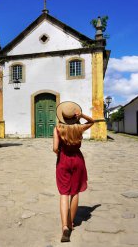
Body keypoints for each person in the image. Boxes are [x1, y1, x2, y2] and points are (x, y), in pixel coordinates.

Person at [53, 101, 94, 242]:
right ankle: (71, 223)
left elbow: (54, 148)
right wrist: (81, 115)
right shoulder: (79, 128)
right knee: (74, 192)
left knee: (64, 193)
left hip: (63, 159)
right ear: (74, 116)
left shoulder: (58, 128)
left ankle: (64, 226)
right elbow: (92, 121)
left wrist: (60, 153)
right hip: (77, 159)